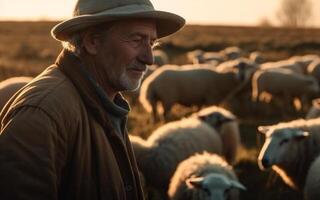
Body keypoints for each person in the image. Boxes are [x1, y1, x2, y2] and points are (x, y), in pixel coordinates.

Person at [0, 0, 185, 199]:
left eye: (151, 43)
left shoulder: (106, 103)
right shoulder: (42, 114)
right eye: (136, 40)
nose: (149, 58)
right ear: (92, 42)